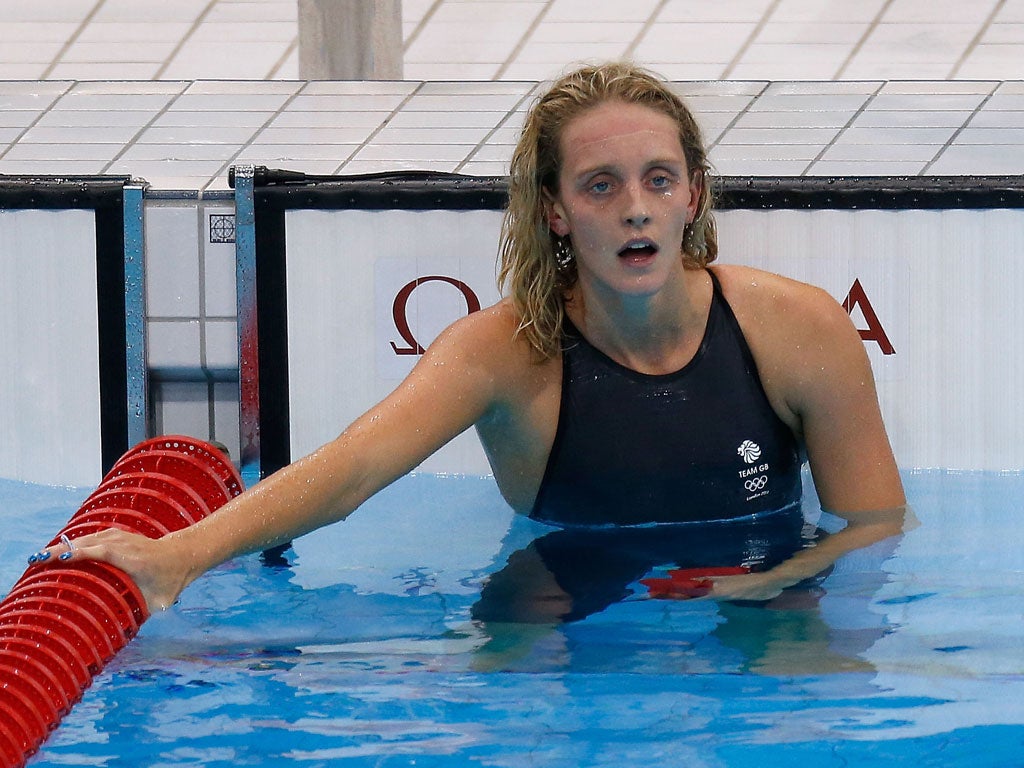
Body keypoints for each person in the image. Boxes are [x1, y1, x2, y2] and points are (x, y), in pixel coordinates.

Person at [32, 61, 908, 616]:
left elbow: (873, 524)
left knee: (805, 701)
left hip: (761, 579)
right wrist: (178, 557)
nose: (635, 207)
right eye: (601, 186)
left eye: (657, 179)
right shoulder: (503, 354)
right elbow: (350, 472)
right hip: (559, 584)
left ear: (693, 195)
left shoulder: (794, 329)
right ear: (556, 212)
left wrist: (766, 582)